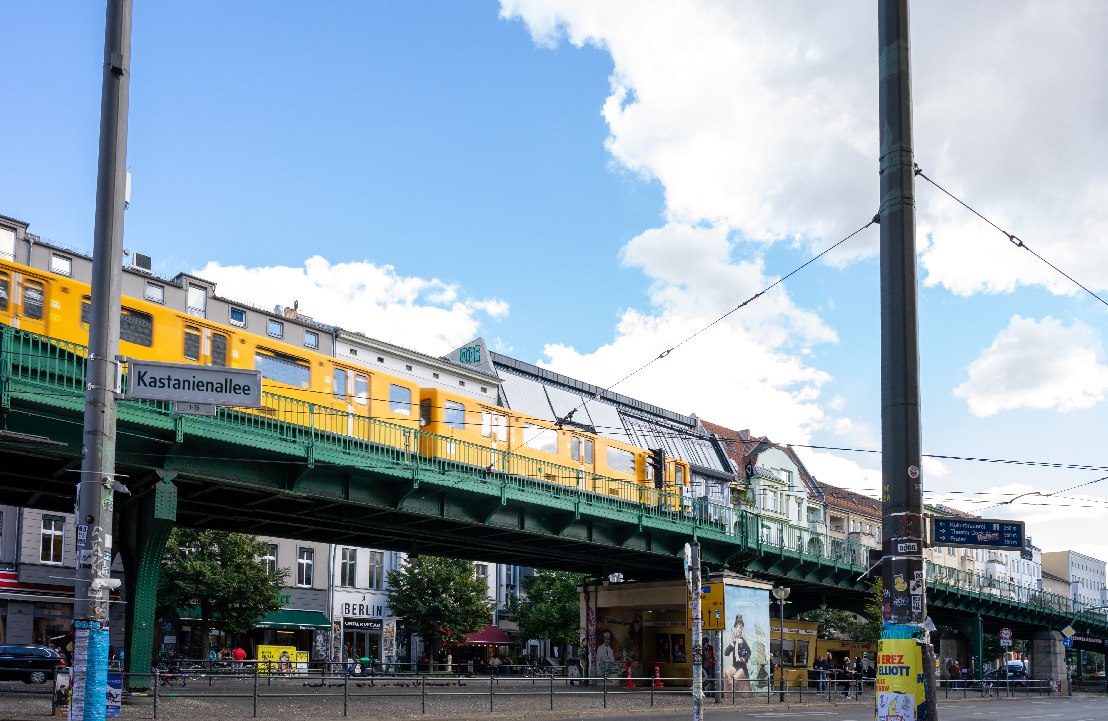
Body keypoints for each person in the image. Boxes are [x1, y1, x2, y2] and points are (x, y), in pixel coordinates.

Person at [722, 614, 752, 697]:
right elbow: (726, 653)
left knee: (733, 679)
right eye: (738, 627)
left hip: (742, 667)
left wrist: (745, 658)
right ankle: (727, 696)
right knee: (727, 673)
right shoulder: (734, 641)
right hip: (735, 666)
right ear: (735, 628)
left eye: (741, 628)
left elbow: (749, 652)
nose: (739, 629)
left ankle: (732, 696)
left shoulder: (743, 641)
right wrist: (732, 643)